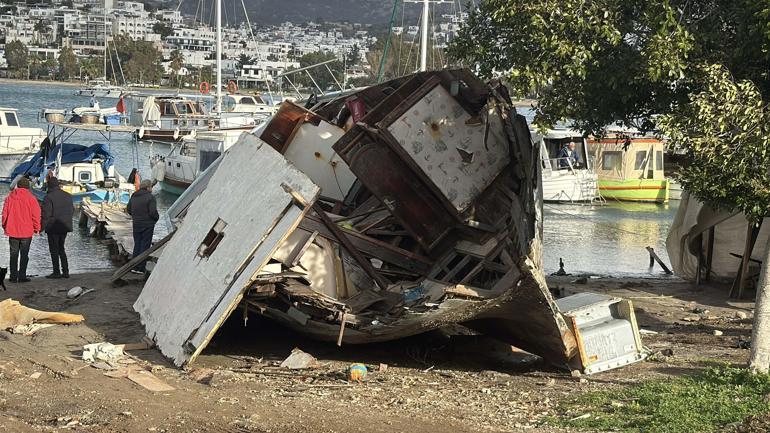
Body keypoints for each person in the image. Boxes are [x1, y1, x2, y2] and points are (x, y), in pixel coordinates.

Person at [2, 177, 41, 283]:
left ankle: (13, 276)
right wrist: (37, 228)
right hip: (26, 232)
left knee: (13, 255)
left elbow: (4, 215)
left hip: (13, 231)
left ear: (18, 186)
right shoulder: (32, 198)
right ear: (28, 187)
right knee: (24, 255)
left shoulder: (9, 198)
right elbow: (36, 215)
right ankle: (22, 275)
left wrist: (5, 226)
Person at [41, 177, 74, 279]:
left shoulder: (48, 197)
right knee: (61, 249)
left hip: (53, 227)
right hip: (64, 226)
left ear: (49, 185)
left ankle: (56, 272)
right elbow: (72, 211)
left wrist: (41, 228)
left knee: (54, 250)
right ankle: (66, 271)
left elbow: (46, 215)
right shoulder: (68, 196)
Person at [127, 179, 158, 273]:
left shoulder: (134, 195)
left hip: (136, 223)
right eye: (151, 187)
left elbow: (128, 209)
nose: (152, 189)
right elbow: (153, 212)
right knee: (145, 245)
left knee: (137, 244)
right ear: (148, 187)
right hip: (147, 224)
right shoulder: (150, 197)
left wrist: (135, 216)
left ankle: (134, 266)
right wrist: (156, 218)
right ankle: (141, 267)